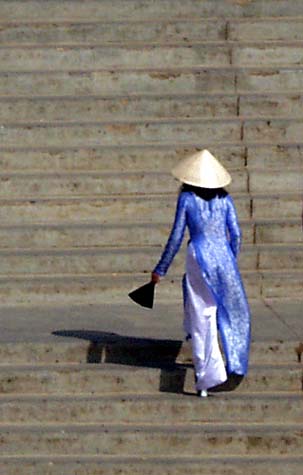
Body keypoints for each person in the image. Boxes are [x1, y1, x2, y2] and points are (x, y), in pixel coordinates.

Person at [151, 149, 251, 397]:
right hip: (224, 258)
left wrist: (160, 268)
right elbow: (236, 235)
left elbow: (177, 236)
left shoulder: (187, 198)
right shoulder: (225, 200)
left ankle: (208, 376)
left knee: (201, 315)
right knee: (232, 310)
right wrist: (230, 260)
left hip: (198, 256)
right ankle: (236, 363)